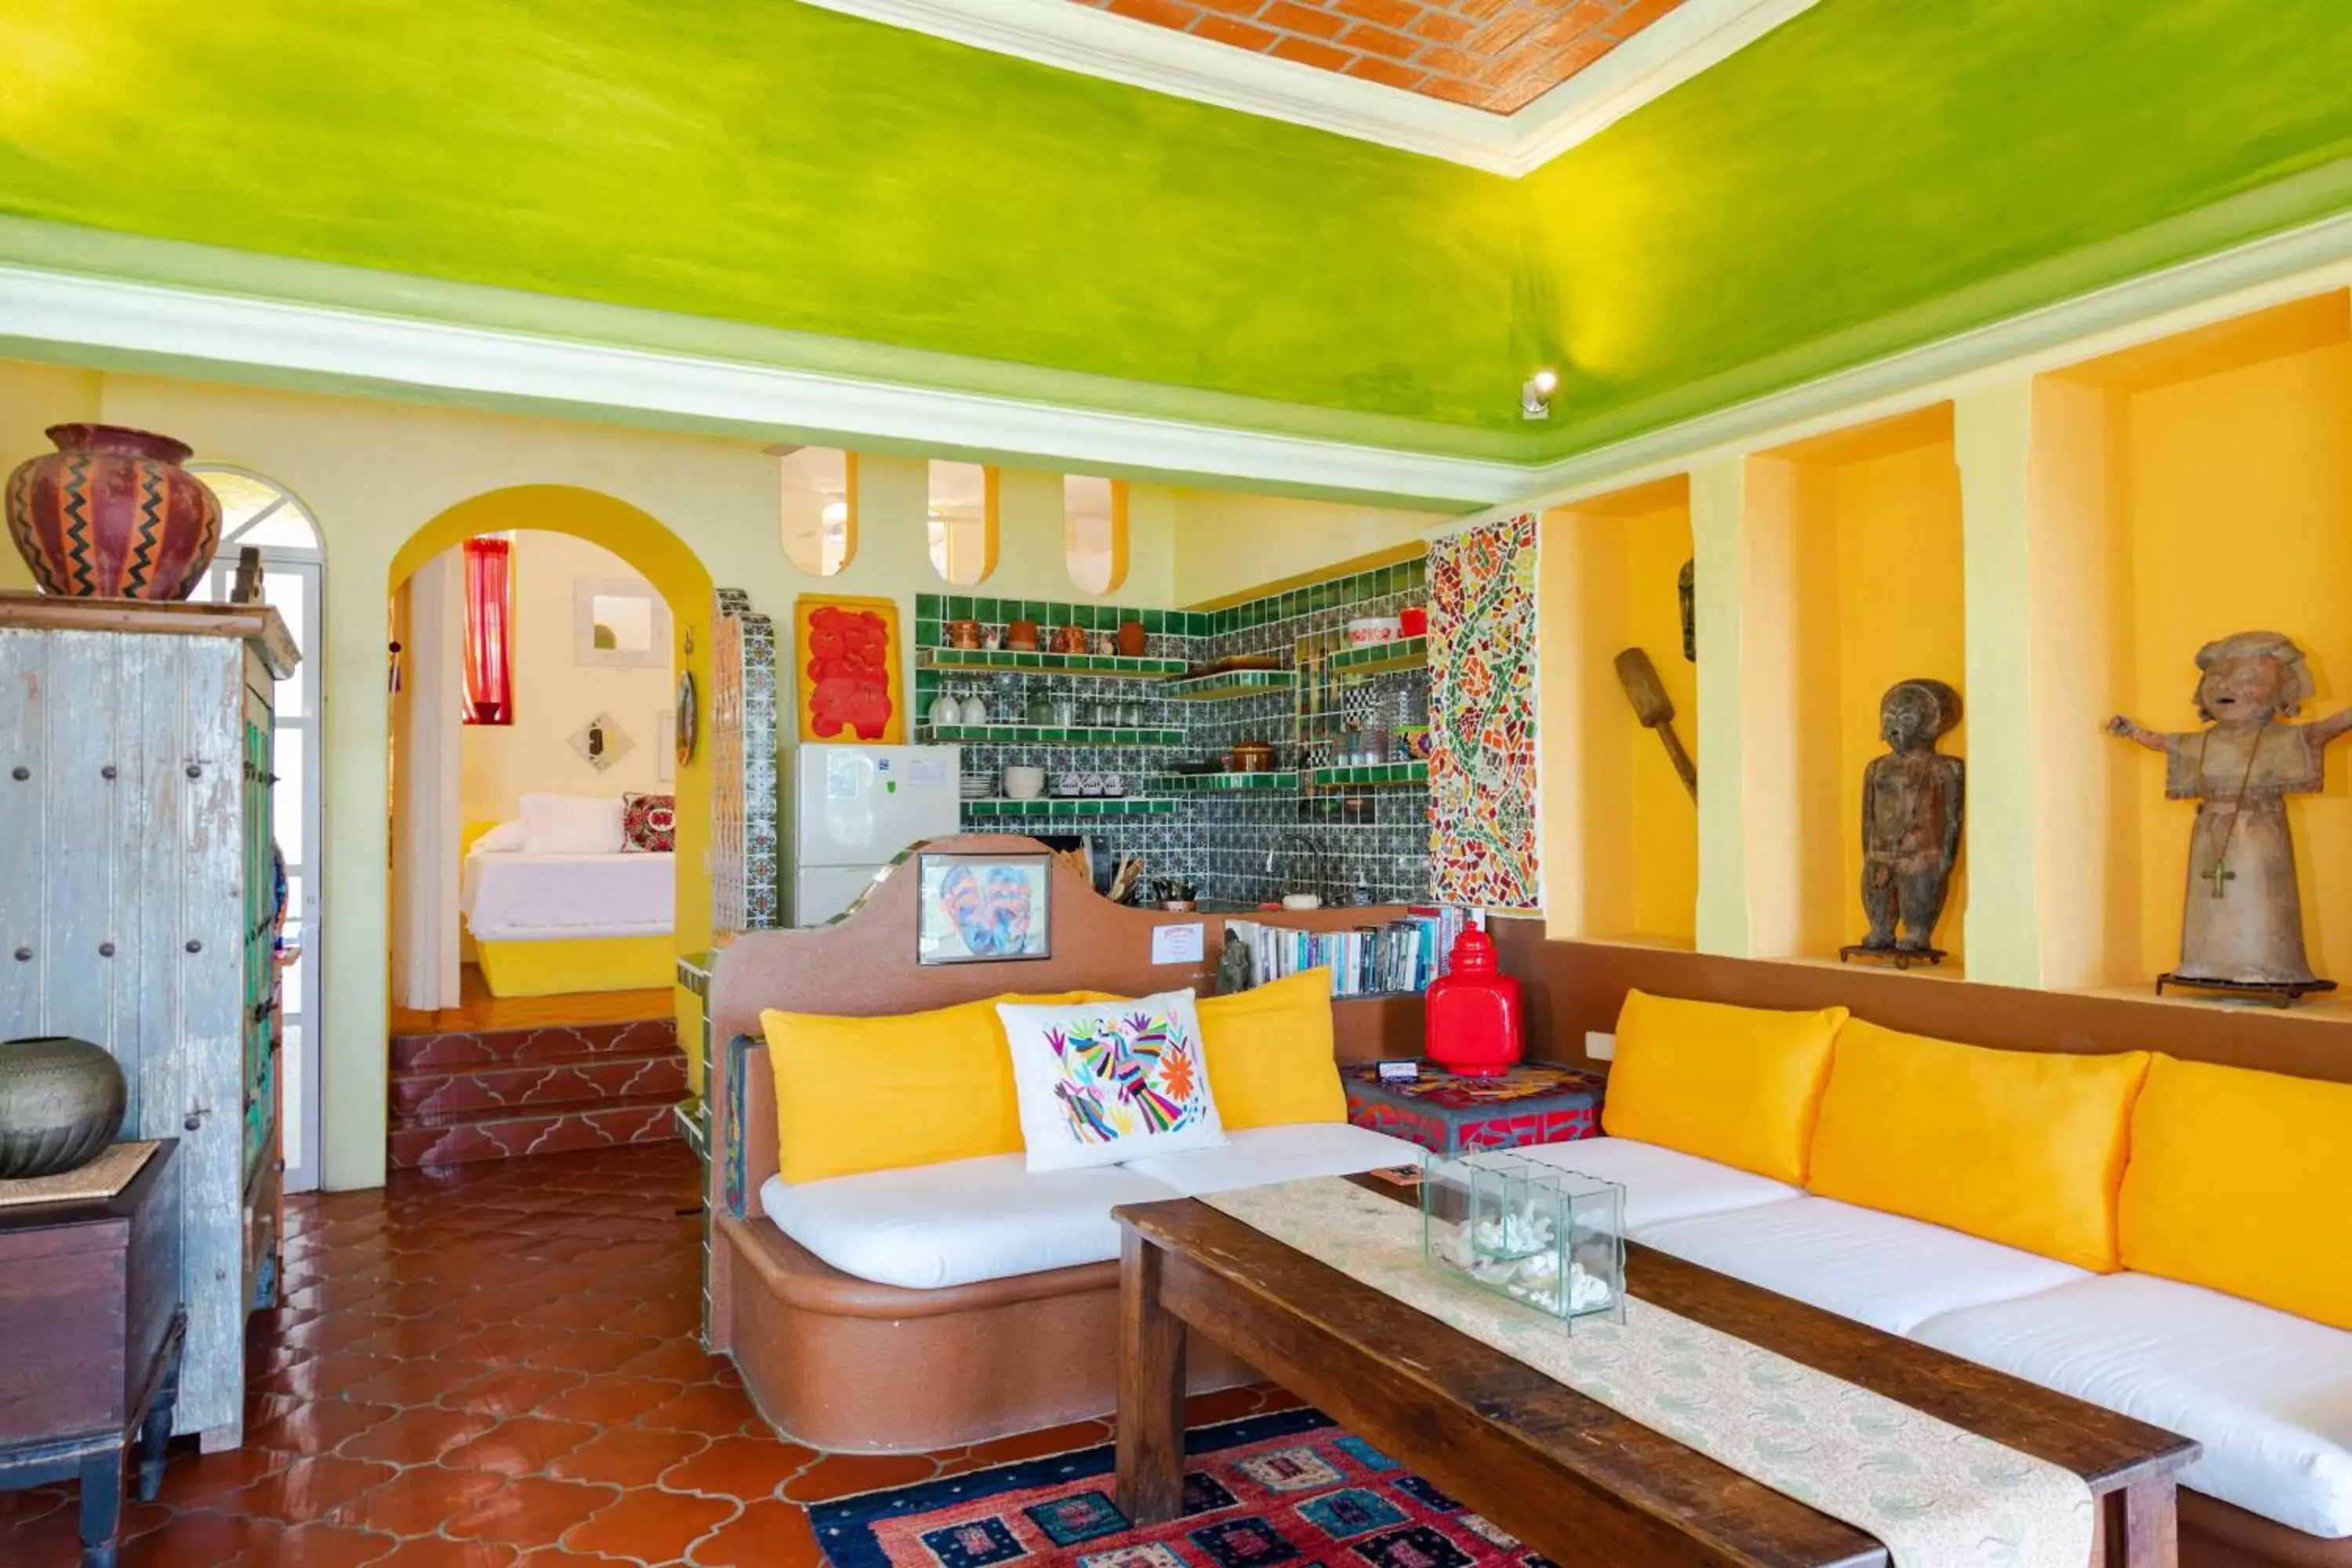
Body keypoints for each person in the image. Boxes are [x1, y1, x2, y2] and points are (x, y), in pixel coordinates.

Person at [2108, 631, 2352, 986]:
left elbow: (2318, 732)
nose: (2227, 686)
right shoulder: (2203, 742)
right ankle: (2202, 963)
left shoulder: (2277, 738)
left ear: (2282, 690)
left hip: (2260, 829)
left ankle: (2266, 965)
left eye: (2248, 677)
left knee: (2260, 899)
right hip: (2210, 829)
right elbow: (2166, 743)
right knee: (2209, 900)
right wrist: (2132, 731)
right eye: (2217, 678)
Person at [1858, 680, 1964, 954]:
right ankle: (1881, 928)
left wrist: (1945, 859)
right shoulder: (1877, 768)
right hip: (1881, 851)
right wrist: (1868, 851)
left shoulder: (1945, 768)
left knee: (1919, 882)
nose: (1895, 728)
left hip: (1921, 854)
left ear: (1931, 724)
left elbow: (1953, 817)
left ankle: (1918, 931)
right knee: (1874, 884)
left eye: (1906, 719)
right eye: (1889, 719)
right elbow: (1867, 816)